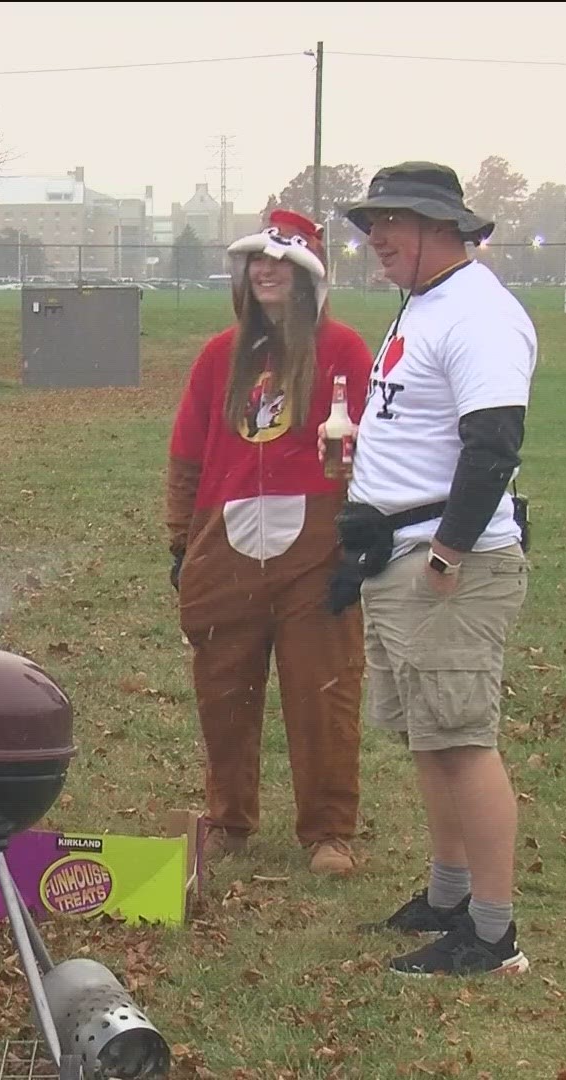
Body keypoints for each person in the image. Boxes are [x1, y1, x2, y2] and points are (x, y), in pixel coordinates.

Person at [342, 162, 537, 976]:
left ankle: (492, 935)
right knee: (430, 735)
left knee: (462, 739)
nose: (376, 238)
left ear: (444, 228)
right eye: (373, 222)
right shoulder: (424, 304)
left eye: (394, 221)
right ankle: (448, 893)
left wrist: (449, 554)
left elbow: (493, 443)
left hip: (444, 563)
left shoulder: (481, 314)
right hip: (400, 556)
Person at [164, 209, 374, 875]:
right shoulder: (218, 357)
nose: (265, 270)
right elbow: (188, 451)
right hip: (225, 540)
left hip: (315, 545)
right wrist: (180, 540)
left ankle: (329, 830)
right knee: (223, 688)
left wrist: (359, 539)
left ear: (308, 275)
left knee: (323, 690)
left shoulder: (344, 351)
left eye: (281, 262)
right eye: (257, 261)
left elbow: (372, 452)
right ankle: (229, 818)